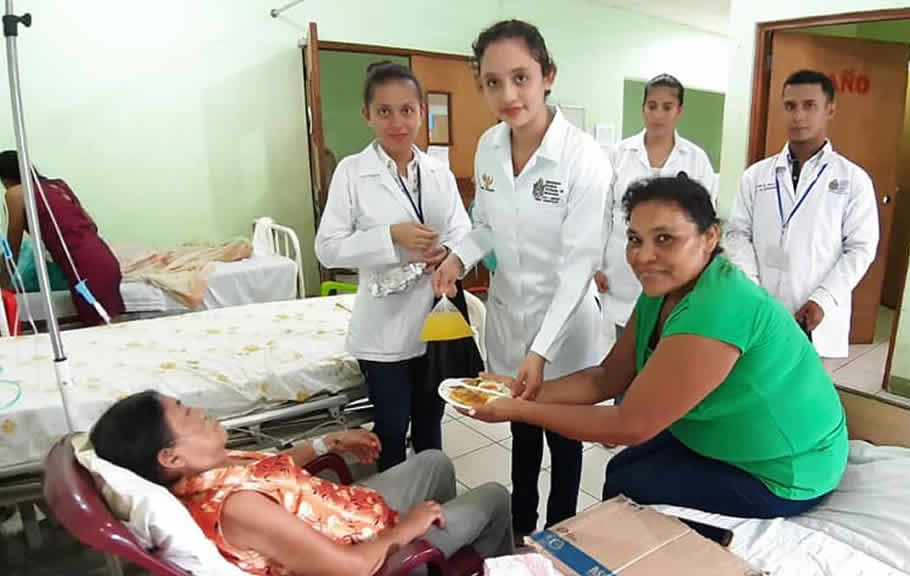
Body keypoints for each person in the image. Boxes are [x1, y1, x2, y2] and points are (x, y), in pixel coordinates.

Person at [462, 175, 848, 522]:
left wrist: (522, 410)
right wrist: (514, 389)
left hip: (788, 468)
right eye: (635, 240)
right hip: (727, 435)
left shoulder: (719, 307)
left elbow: (631, 425)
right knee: (623, 472)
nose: (643, 257)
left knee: (630, 483)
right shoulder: (662, 291)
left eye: (665, 239)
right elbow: (608, 377)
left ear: (710, 237)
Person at [433, 20, 612, 540]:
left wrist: (541, 349)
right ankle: (521, 529)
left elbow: (580, 265)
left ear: (547, 75)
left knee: (564, 436)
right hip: (512, 318)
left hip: (566, 326)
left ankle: (559, 535)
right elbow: (485, 225)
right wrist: (457, 259)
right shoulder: (489, 146)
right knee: (521, 430)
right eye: (492, 82)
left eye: (521, 78)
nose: (508, 94)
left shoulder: (583, 159)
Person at [90, 391, 513, 576]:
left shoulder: (210, 468)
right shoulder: (239, 508)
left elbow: (270, 468)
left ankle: (444, 560)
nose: (199, 411)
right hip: (375, 557)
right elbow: (349, 569)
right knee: (494, 497)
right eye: (186, 414)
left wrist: (327, 441)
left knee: (435, 462)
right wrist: (408, 529)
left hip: (348, 516)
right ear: (170, 456)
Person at [315, 62, 471, 471]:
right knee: (390, 427)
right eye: (384, 111)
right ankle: (396, 512)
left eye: (407, 110)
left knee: (431, 422)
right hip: (382, 328)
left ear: (422, 111)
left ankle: (435, 499)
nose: (397, 122)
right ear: (368, 115)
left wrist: (451, 257)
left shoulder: (438, 171)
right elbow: (327, 248)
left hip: (433, 318)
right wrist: (391, 237)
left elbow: (462, 227)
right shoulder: (352, 172)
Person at [723, 69, 879, 359]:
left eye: (810, 106)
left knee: (807, 399)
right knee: (755, 393)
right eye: (790, 106)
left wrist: (822, 299)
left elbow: (860, 249)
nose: (798, 116)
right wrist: (753, 289)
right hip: (759, 307)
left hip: (815, 318)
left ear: (830, 110)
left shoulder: (852, 180)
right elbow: (736, 233)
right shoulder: (756, 175)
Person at [597, 73, 716, 336]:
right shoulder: (619, 155)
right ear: (643, 109)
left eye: (667, 107)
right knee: (624, 349)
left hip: (677, 275)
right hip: (621, 273)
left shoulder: (696, 159)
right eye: (652, 106)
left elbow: (706, 221)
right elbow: (601, 215)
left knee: (669, 341)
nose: (658, 115)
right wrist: (596, 264)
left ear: (680, 111)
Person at [0, 151, 124, 325]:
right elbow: (91, 224)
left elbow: (12, 248)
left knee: (101, 331)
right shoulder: (58, 185)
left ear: (5, 179)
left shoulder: (15, 194)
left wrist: (3, 285)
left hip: (85, 269)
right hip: (105, 260)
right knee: (110, 329)